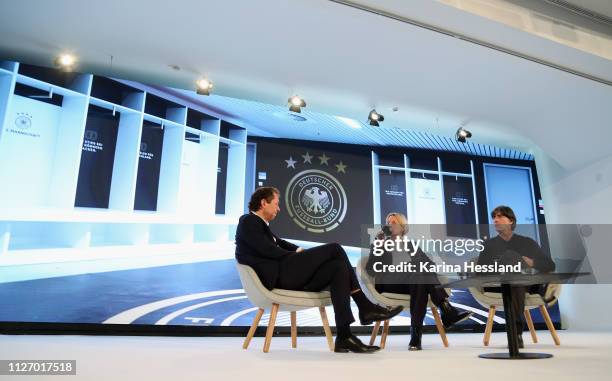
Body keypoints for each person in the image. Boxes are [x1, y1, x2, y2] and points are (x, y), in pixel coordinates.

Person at [235, 187, 403, 353]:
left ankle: (345, 336)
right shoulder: (248, 221)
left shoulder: (262, 226)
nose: (278, 209)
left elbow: (280, 243)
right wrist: (299, 256)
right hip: (280, 276)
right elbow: (267, 249)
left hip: (287, 274)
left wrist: (301, 252)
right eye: (276, 204)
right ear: (263, 203)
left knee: (338, 268)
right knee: (335, 248)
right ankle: (365, 307)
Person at [366, 212, 473, 351]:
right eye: (388, 222)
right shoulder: (380, 244)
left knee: (420, 278)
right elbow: (370, 270)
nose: (389, 225)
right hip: (390, 283)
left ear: (403, 227)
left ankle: (416, 335)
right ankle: (445, 308)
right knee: (418, 270)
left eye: (394, 222)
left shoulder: (411, 245)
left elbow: (430, 265)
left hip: (412, 283)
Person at [477, 205, 555, 348]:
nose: (495, 220)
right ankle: (540, 289)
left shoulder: (527, 242)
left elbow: (550, 265)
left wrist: (531, 262)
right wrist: (499, 266)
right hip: (497, 285)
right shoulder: (489, 245)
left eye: (500, 216)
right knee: (510, 257)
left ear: (511, 221)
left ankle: (515, 334)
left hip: (521, 285)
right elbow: (480, 271)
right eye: (494, 217)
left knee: (516, 283)